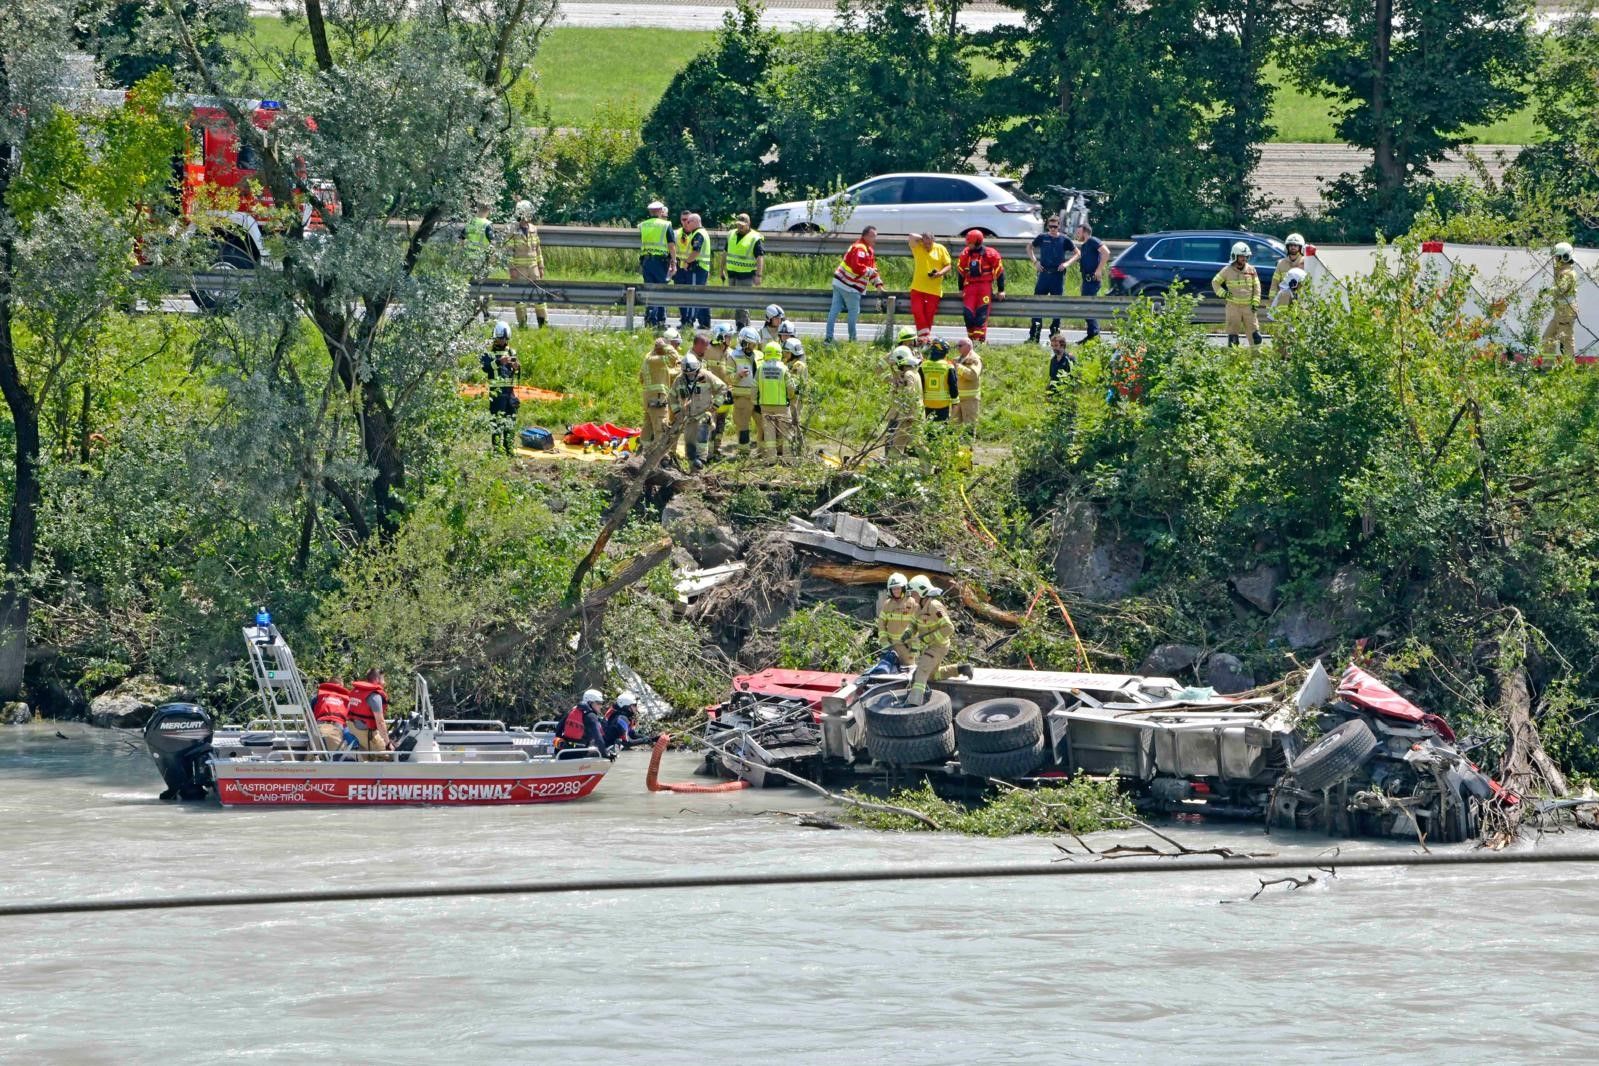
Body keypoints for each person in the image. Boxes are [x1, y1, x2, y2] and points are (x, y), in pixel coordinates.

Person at [905, 576, 968, 705]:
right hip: (929, 647)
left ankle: (914, 703)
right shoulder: (918, 608)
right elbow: (913, 625)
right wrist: (908, 632)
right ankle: (961, 669)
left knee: (921, 670)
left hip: (939, 646)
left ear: (922, 592)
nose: (912, 596)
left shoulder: (935, 606)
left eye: (914, 593)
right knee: (933, 675)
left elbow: (949, 628)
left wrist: (928, 638)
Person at [669, 345, 727, 471]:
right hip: (688, 417)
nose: (690, 376)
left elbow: (723, 388)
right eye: (687, 374)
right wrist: (677, 411)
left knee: (702, 435)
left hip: (703, 413)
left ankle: (701, 461)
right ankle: (693, 469)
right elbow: (672, 397)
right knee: (689, 445)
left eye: (692, 373)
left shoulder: (706, 376)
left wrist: (715, 406)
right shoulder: (679, 380)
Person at [826, 226, 885, 343]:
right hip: (850, 287)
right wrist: (870, 272)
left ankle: (828, 339)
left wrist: (878, 284)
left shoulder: (867, 249)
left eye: (876, 236)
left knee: (834, 311)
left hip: (839, 282)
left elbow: (873, 269)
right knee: (853, 313)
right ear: (865, 236)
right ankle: (852, 340)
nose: (875, 239)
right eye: (873, 236)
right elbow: (857, 267)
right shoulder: (860, 249)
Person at [1028, 215, 1076, 342]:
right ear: (1047, 226)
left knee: (1057, 305)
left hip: (1057, 276)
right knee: (1037, 304)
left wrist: (1066, 264)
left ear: (1059, 226)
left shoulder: (1064, 239)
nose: (1053, 229)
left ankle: (1055, 335)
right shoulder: (1043, 237)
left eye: (1055, 226)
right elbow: (1029, 247)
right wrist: (1035, 262)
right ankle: (1034, 336)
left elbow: (1078, 253)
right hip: (1044, 274)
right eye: (1050, 226)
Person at [956, 229, 1005, 343]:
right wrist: (960, 289)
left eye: (970, 242)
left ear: (977, 242)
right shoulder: (965, 254)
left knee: (981, 315)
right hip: (970, 288)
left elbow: (1000, 271)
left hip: (984, 287)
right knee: (968, 315)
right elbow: (961, 272)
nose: (967, 245)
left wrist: (1001, 290)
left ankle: (979, 342)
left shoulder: (990, 253)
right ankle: (971, 341)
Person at [481, 320, 521, 455]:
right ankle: (497, 450)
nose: (503, 341)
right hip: (496, 394)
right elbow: (486, 368)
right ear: (495, 337)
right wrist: (499, 362)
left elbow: (515, 371)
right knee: (497, 422)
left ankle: (509, 448)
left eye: (505, 338)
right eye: (500, 338)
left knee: (511, 420)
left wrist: (516, 367)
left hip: (510, 392)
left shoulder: (511, 351)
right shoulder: (488, 353)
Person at [1212, 242, 1263, 347]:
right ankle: (1234, 360)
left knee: (1255, 335)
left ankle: (1256, 359)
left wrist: (1256, 300)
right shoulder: (1227, 270)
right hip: (1233, 307)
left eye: (1246, 256)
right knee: (1233, 337)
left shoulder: (1251, 270)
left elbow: (1257, 286)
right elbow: (1215, 282)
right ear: (1235, 256)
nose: (1244, 259)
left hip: (1249, 307)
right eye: (1241, 256)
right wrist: (1223, 293)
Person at [508, 199, 548, 330]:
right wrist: (511, 268)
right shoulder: (512, 229)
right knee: (520, 299)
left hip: (533, 269)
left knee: (539, 298)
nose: (530, 215)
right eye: (528, 212)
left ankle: (543, 325)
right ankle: (522, 325)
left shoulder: (533, 229)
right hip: (519, 271)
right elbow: (508, 251)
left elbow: (538, 249)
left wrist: (541, 266)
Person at [721, 213, 765, 329]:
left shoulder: (755, 237)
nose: (740, 227)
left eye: (743, 225)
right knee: (735, 301)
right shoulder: (731, 234)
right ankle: (744, 325)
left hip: (746, 275)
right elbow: (725, 253)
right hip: (732, 273)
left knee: (743, 302)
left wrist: (758, 275)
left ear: (748, 224)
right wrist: (722, 270)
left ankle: (742, 325)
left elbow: (760, 257)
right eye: (738, 224)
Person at [638, 200, 675, 328]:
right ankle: (660, 320)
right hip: (660, 262)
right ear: (660, 211)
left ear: (650, 212)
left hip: (646, 261)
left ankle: (649, 320)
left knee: (649, 290)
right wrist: (674, 262)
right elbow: (671, 245)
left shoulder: (643, 225)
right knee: (661, 290)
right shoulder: (666, 225)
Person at [907, 232, 952, 336]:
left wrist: (940, 273)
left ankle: (923, 340)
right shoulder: (918, 247)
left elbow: (948, 265)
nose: (927, 246)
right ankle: (925, 338)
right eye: (925, 243)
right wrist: (922, 239)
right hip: (917, 287)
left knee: (928, 316)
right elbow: (911, 236)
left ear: (933, 241)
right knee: (917, 311)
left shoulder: (940, 248)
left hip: (934, 290)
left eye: (929, 243)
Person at [755, 340, 792, 459]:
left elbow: (754, 386)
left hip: (765, 405)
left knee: (769, 432)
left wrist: (754, 401)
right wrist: (791, 397)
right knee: (785, 432)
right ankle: (788, 457)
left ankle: (771, 458)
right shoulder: (784, 368)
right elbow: (790, 387)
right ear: (779, 353)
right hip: (781, 405)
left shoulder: (760, 369)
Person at [704, 324, 737, 458]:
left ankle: (716, 449)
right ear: (721, 337)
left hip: (726, 393)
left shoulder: (731, 353)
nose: (731, 339)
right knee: (710, 422)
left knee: (721, 422)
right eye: (729, 336)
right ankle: (707, 452)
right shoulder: (708, 350)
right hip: (712, 394)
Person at [675, 212, 712, 329]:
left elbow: (696, 251)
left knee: (692, 296)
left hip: (697, 268)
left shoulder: (698, 234)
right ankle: (700, 322)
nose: (687, 223)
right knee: (697, 295)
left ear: (695, 222)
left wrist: (686, 262)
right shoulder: (701, 232)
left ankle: (688, 322)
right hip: (701, 268)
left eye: (689, 221)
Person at [876, 572, 921, 669]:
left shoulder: (912, 603)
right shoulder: (887, 604)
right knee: (888, 671)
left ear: (904, 588)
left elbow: (917, 626)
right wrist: (884, 641)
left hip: (907, 648)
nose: (895, 591)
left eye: (898, 588)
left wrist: (916, 646)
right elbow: (881, 623)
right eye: (893, 589)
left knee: (908, 673)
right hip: (891, 647)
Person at [886, 345, 923, 459]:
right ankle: (926, 471)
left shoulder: (908, 375)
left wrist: (905, 414)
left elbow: (909, 395)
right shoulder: (915, 373)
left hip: (908, 416)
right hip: (916, 413)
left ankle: (891, 470)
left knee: (898, 445)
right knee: (917, 444)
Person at [1543, 241, 1579, 358]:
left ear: (1564, 257)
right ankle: (1547, 366)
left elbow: (1561, 289)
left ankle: (1568, 370)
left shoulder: (1567, 273)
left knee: (1566, 340)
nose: (1555, 260)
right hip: (1560, 310)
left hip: (1566, 311)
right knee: (1548, 337)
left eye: (1557, 257)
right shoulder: (1562, 271)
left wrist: (1546, 292)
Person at [638, 337, 676, 446]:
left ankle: (643, 453)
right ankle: (661, 459)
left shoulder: (648, 358)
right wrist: (666, 346)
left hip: (649, 398)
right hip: (658, 398)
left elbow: (641, 378)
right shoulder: (655, 359)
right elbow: (674, 357)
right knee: (661, 428)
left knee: (648, 427)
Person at [1075, 223, 1108, 340]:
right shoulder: (1084, 246)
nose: (1077, 235)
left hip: (1093, 281)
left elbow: (1106, 252)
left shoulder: (1093, 241)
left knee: (1087, 307)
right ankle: (1091, 334)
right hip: (1087, 281)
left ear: (1085, 232)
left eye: (1078, 232)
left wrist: (1099, 270)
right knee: (1086, 307)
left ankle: (1094, 335)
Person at [347, 669, 393, 752]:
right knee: (388, 754)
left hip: (353, 731)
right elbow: (380, 723)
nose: (384, 682)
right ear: (377, 680)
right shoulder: (375, 696)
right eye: (383, 679)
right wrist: (388, 743)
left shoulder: (355, 691)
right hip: (365, 734)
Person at [557, 689, 609, 754]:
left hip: (564, 752)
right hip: (580, 753)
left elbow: (559, 728)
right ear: (590, 703)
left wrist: (558, 747)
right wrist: (605, 753)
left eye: (601, 703)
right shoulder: (591, 716)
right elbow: (598, 737)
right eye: (598, 703)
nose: (601, 706)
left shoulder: (572, 711)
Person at [919, 337, 958, 423]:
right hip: (942, 406)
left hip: (926, 405)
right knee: (940, 431)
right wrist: (955, 404)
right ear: (944, 352)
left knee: (927, 431)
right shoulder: (948, 366)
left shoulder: (923, 365)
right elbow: (953, 386)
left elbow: (919, 385)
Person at [782, 336, 810, 451]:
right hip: (792, 398)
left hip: (796, 399)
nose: (784, 354)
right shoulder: (791, 362)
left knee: (795, 422)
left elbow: (793, 384)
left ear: (793, 353)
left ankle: (799, 447)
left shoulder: (798, 366)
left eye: (786, 352)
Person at [311, 679, 354, 753]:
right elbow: (349, 717)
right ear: (340, 686)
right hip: (337, 726)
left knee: (316, 754)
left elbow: (309, 716)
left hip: (319, 724)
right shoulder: (346, 697)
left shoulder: (318, 695)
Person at [1268, 232, 1307, 303]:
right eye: (1291, 245)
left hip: (1300, 302)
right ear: (1287, 247)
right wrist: (1272, 301)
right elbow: (1274, 283)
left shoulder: (1306, 263)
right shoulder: (1281, 263)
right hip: (1283, 301)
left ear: (1300, 247)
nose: (1293, 247)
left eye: (1296, 245)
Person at [951, 339, 981, 430]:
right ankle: (956, 444)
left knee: (969, 426)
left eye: (960, 346)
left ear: (968, 346)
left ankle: (969, 444)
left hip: (970, 399)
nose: (957, 348)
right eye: (957, 346)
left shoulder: (975, 359)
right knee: (954, 426)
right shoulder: (958, 359)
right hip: (957, 399)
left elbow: (973, 375)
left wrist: (959, 368)